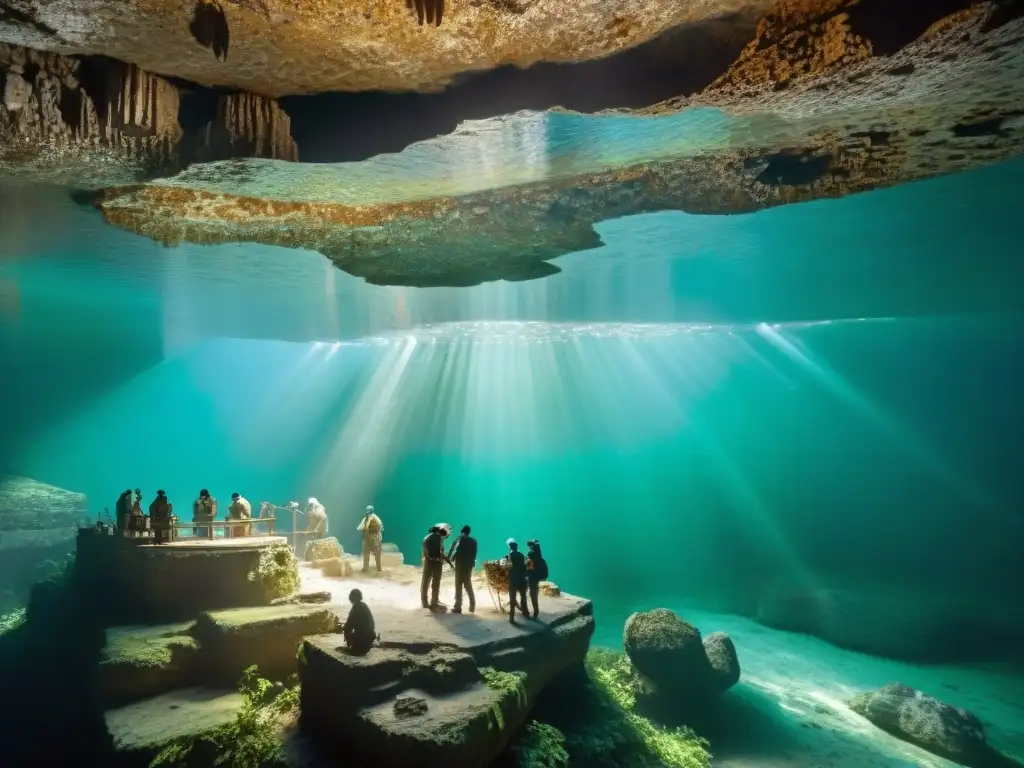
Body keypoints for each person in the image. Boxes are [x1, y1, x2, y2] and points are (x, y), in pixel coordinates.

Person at [448, 525, 477, 614]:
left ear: (462, 532)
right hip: (468, 565)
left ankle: (458, 607)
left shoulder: (460, 539)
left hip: (460, 564)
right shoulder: (474, 541)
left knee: (458, 585)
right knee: (468, 585)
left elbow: (457, 550)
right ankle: (472, 606)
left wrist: (450, 558)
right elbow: (474, 553)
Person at [420, 524, 451, 610]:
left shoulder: (426, 538)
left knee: (425, 582)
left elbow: (425, 553)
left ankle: (424, 603)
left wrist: (429, 558)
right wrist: (447, 560)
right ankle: (434, 602)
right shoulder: (439, 538)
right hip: (437, 563)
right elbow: (440, 552)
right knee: (436, 584)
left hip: (427, 562)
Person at [342, 588, 378, 655]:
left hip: (361, 642)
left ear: (352, 598)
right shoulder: (364, 605)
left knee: (346, 630)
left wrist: (347, 638)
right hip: (370, 638)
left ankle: (350, 647)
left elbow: (348, 627)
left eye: (350, 595)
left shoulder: (355, 608)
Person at [505, 538, 529, 623]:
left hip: (513, 580)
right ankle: (526, 613)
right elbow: (524, 567)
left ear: (510, 547)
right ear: (517, 547)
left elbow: (507, 567)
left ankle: (512, 618)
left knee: (512, 598)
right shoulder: (521, 555)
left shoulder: (509, 556)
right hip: (521, 579)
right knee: (523, 597)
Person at [525, 540, 549, 620]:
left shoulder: (531, 554)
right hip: (539, 575)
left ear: (532, 547)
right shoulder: (539, 554)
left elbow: (530, 567)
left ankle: (535, 612)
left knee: (533, 594)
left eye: (530, 546)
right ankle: (535, 611)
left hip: (533, 576)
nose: (529, 547)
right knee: (533, 592)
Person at [357, 505, 384, 573]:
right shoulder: (377, 518)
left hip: (367, 538)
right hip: (375, 538)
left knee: (366, 553)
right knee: (377, 554)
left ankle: (365, 568)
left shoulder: (365, 519)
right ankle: (379, 568)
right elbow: (381, 528)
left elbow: (359, 528)